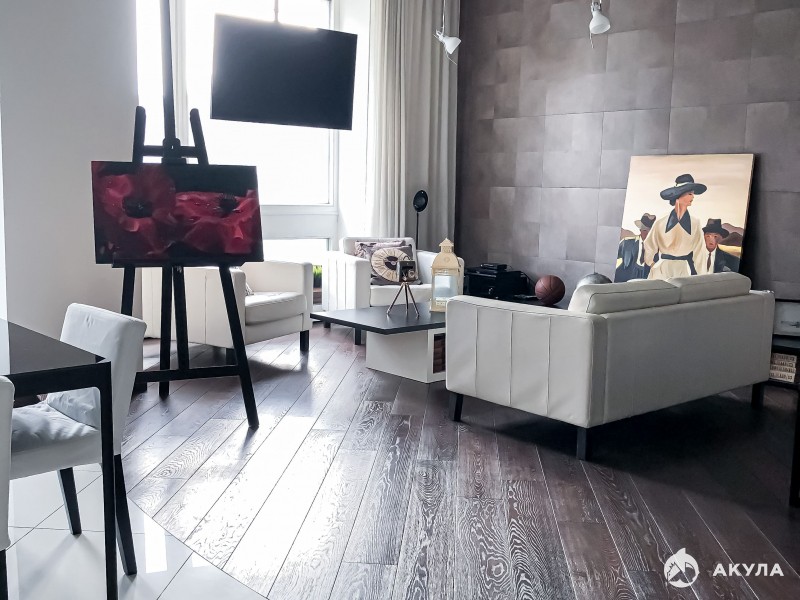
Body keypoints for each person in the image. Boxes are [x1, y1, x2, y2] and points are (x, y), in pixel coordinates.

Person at [644, 174, 707, 280]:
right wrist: (652, 264)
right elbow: (649, 244)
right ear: (679, 195)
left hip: (683, 269)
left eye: (693, 194)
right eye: (690, 194)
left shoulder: (695, 223)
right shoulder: (661, 221)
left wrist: (703, 277)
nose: (693, 197)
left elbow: (700, 252)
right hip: (661, 269)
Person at [615, 213, 655, 282]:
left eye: (651, 231)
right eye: (645, 230)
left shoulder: (657, 247)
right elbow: (611, 257)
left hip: (646, 280)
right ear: (640, 230)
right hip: (625, 279)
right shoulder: (627, 243)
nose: (648, 234)